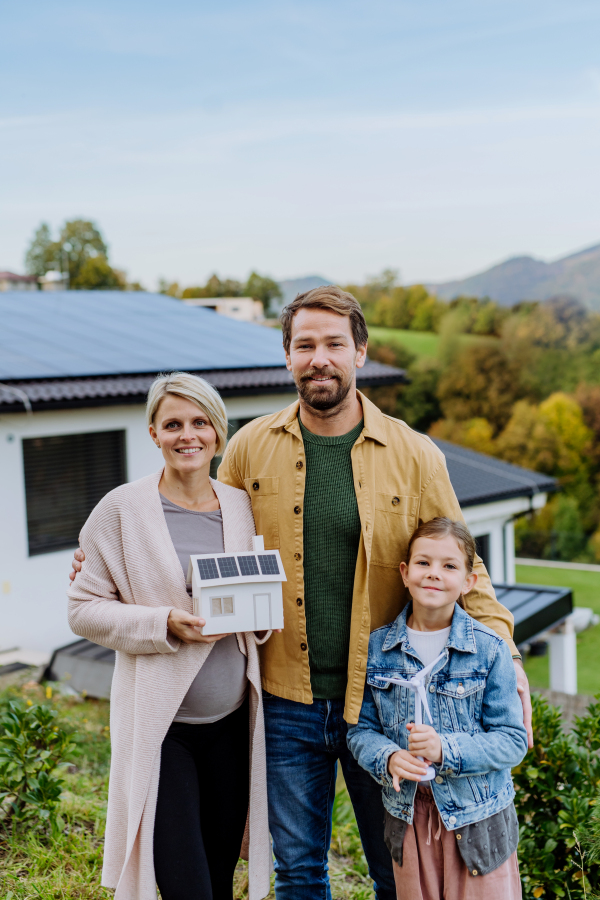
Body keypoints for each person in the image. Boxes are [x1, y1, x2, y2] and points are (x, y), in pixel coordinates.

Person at [71, 286, 533, 900]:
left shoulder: (414, 454)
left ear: (360, 352)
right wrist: (102, 558)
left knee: (392, 872)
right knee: (298, 874)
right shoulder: (250, 448)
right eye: (304, 345)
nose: (320, 357)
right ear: (288, 357)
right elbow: (202, 519)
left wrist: (507, 654)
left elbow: (463, 566)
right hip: (284, 696)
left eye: (334, 344)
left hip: (382, 700)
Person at [67, 372, 272, 900]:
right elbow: (83, 610)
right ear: (154, 433)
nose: (188, 435)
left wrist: (260, 617)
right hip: (165, 732)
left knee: (221, 876)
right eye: (173, 423)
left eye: (200, 422)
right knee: (187, 887)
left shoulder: (240, 506)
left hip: (232, 725)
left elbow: (254, 601)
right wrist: (161, 625)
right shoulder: (122, 510)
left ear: (218, 434)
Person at [347, 517, 528, 900]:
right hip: (410, 819)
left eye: (449, 566)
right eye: (423, 563)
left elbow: (513, 741)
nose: (434, 574)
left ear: (468, 582)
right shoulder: (377, 650)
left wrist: (447, 749)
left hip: (478, 820)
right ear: (404, 572)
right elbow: (360, 730)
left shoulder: (490, 649)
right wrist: (389, 757)